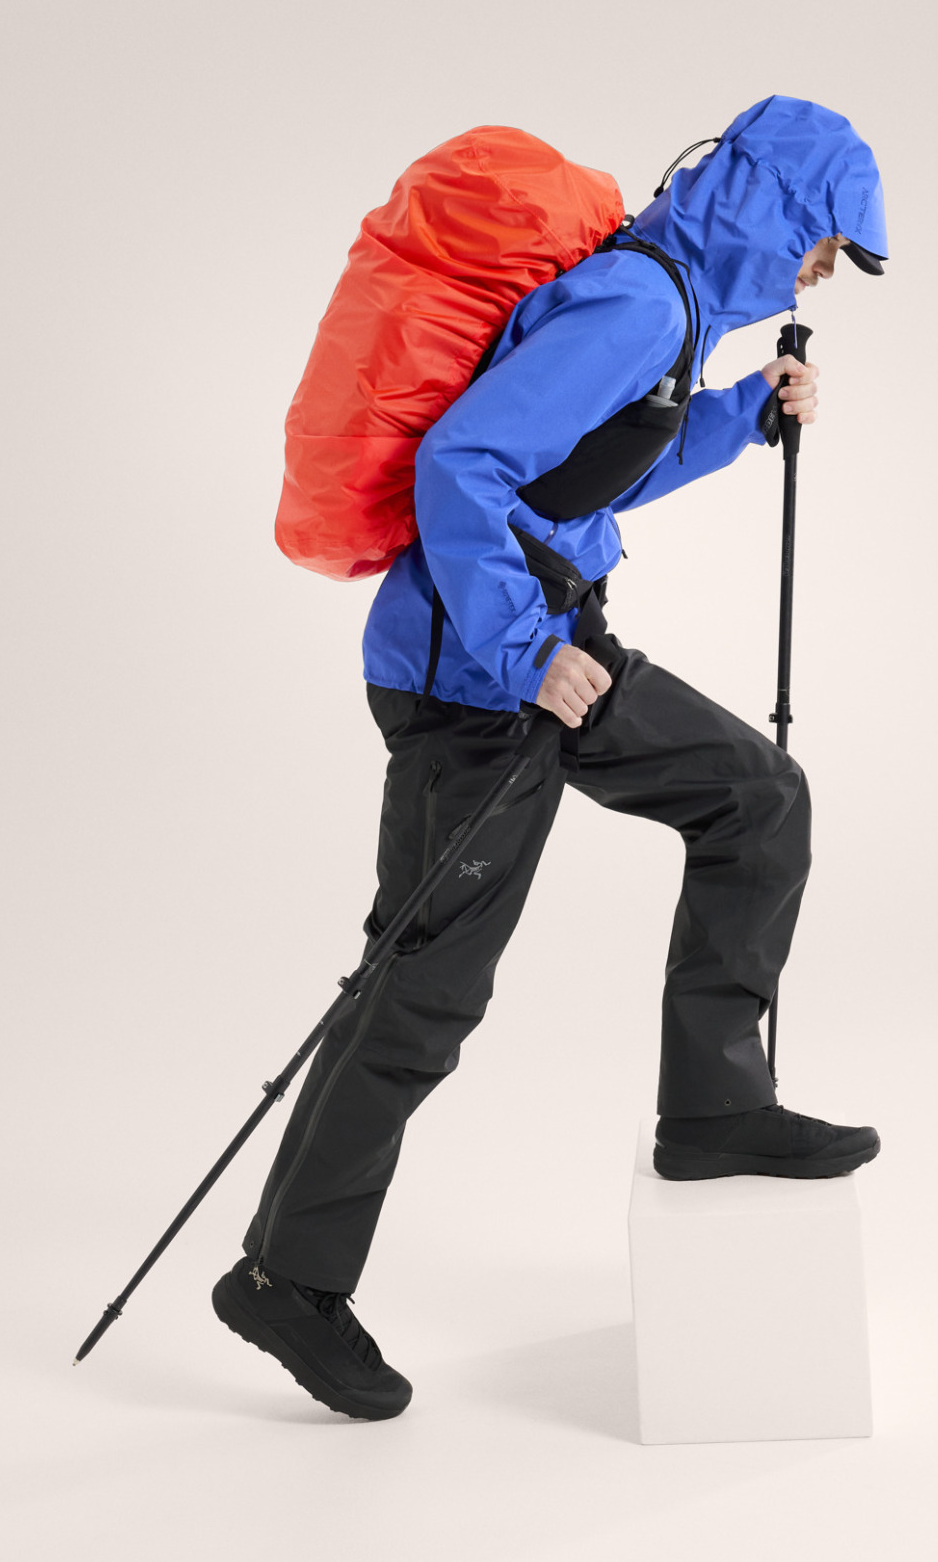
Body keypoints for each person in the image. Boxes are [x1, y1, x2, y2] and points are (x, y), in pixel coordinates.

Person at [213, 95, 888, 1420]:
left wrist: (741, 416)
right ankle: (286, 1281)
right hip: (475, 686)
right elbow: (460, 467)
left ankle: (713, 1109)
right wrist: (524, 651)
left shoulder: (668, 311)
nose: (823, 273)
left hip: (551, 654)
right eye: (824, 242)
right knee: (423, 989)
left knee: (755, 797)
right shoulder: (636, 306)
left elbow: (583, 477)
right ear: (768, 211)